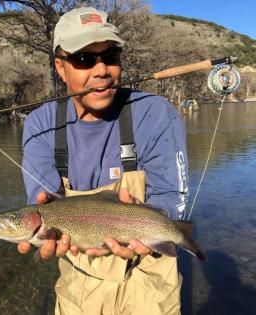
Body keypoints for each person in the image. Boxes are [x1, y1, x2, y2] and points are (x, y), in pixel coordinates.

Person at [19, 7, 188, 315]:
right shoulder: (39, 125)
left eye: (110, 56)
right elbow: (42, 202)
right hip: (79, 279)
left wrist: (145, 223)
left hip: (150, 272)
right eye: (84, 59)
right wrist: (47, 235)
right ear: (60, 66)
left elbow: (171, 198)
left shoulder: (155, 114)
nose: (101, 70)